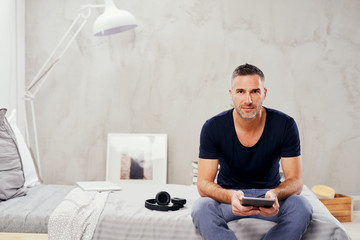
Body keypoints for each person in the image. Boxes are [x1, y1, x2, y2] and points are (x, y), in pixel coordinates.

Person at [191, 63, 313, 240]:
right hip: (229, 199)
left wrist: (275, 194)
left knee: (302, 205)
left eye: (254, 91)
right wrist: (230, 196)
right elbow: (203, 184)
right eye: (241, 91)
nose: (248, 100)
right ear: (231, 94)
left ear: (264, 93)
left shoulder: (285, 125)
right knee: (201, 208)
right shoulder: (213, 127)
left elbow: (296, 181)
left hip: (270, 197)